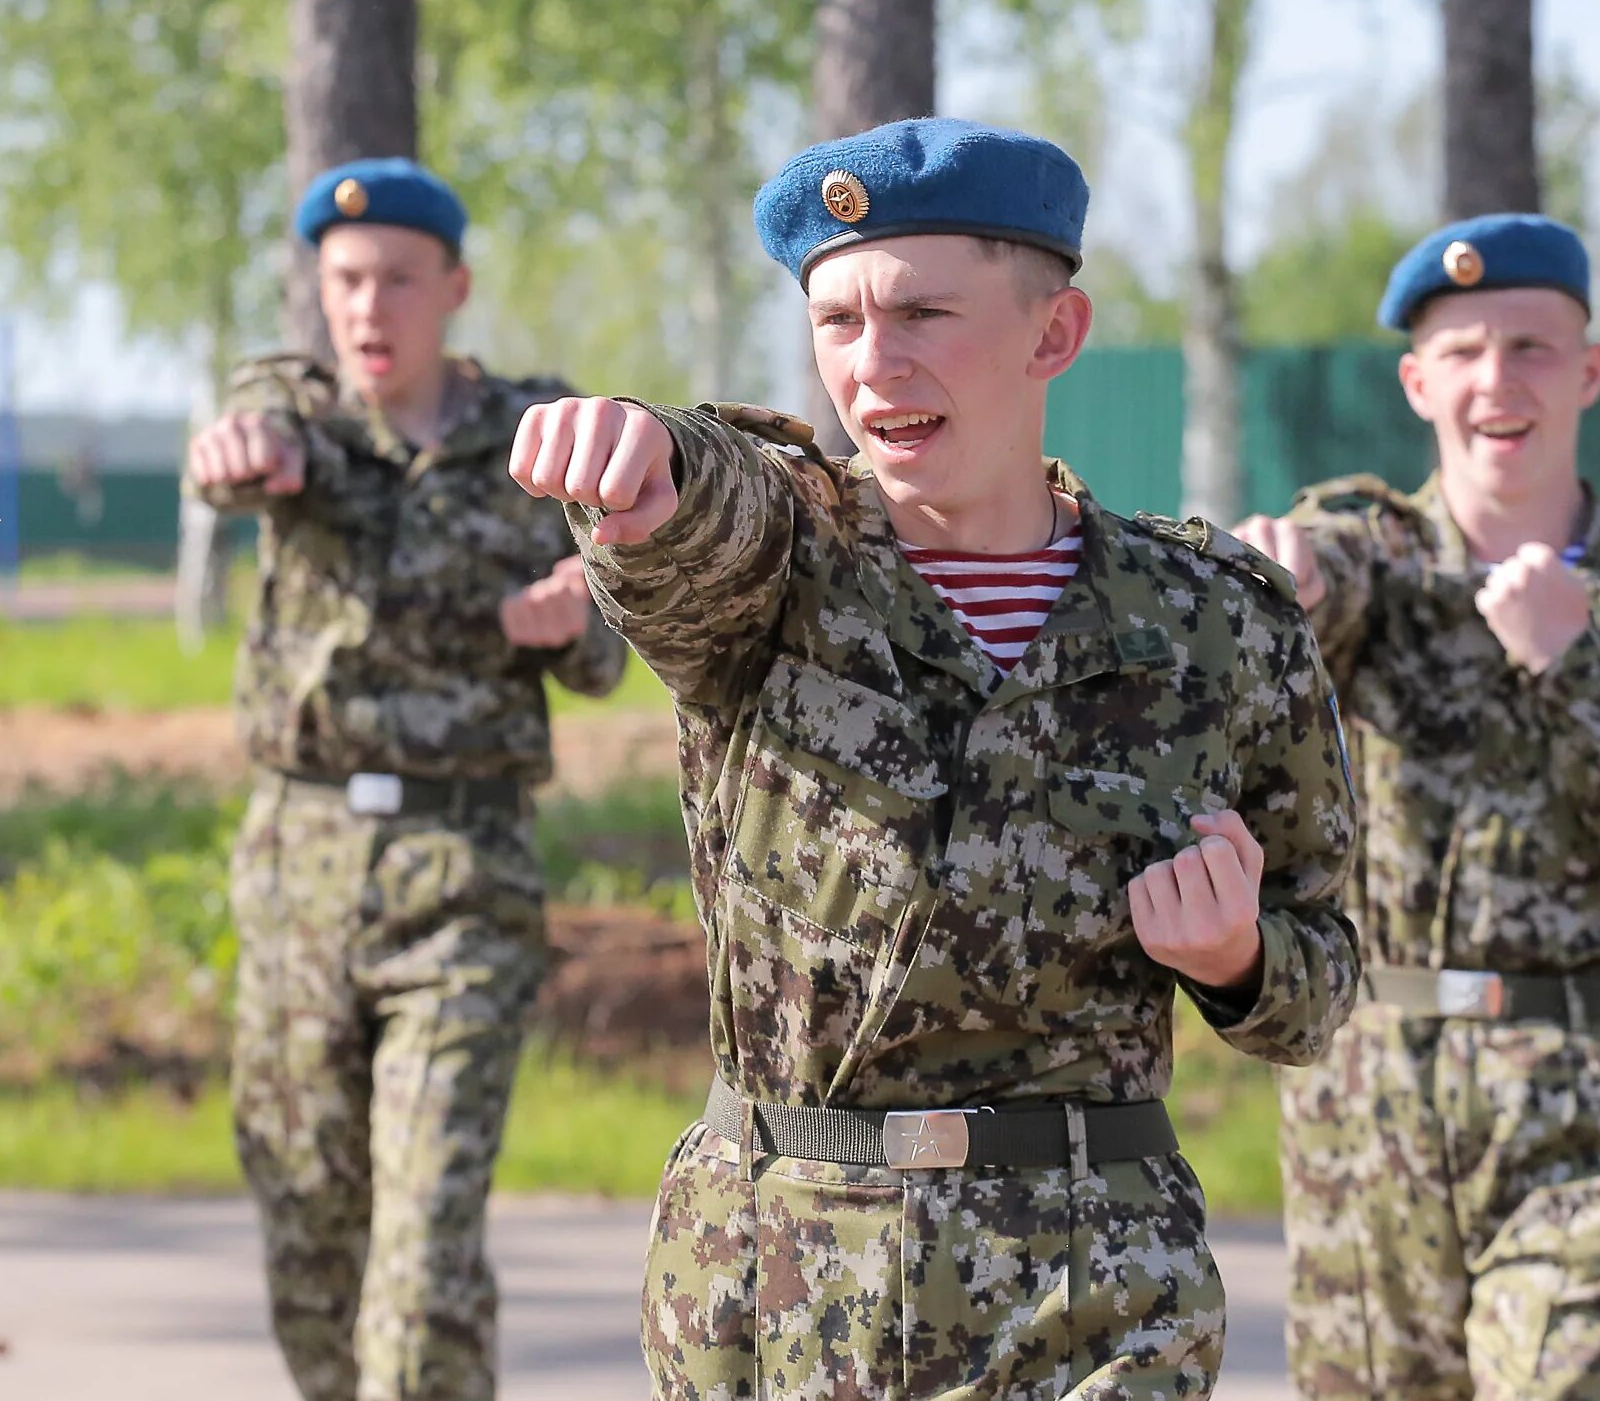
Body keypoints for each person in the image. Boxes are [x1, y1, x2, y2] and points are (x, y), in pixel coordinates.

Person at [509, 117, 1360, 1398]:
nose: (873, 366)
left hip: (1095, 1278)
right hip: (781, 1275)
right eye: (836, 321)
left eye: (922, 314)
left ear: (1052, 334)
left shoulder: (1216, 618)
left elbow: (1323, 975)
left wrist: (1236, 958)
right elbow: (702, 512)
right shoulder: (780, 574)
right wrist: (642, 460)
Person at [1233, 213, 1600, 1399]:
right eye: (1465, 352)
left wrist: (1571, 664)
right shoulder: (1372, 551)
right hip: (1365, 1104)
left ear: (1587, 370)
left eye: (1531, 347)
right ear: (1417, 381)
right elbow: (1320, 577)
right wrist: (1286, 577)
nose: (1498, 381)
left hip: (1588, 1096)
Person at [184, 156, 626, 1401]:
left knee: (423, 1254)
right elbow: (232, 446)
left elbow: (610, 646)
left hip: (463, 872)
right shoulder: (303, 421)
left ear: (454, 288)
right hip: (298, 868)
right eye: (343, 282)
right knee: (312, 1240)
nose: (367, 307)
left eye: (393, 280)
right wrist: (246, 453)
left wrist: (571, 623)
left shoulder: (534, 438)